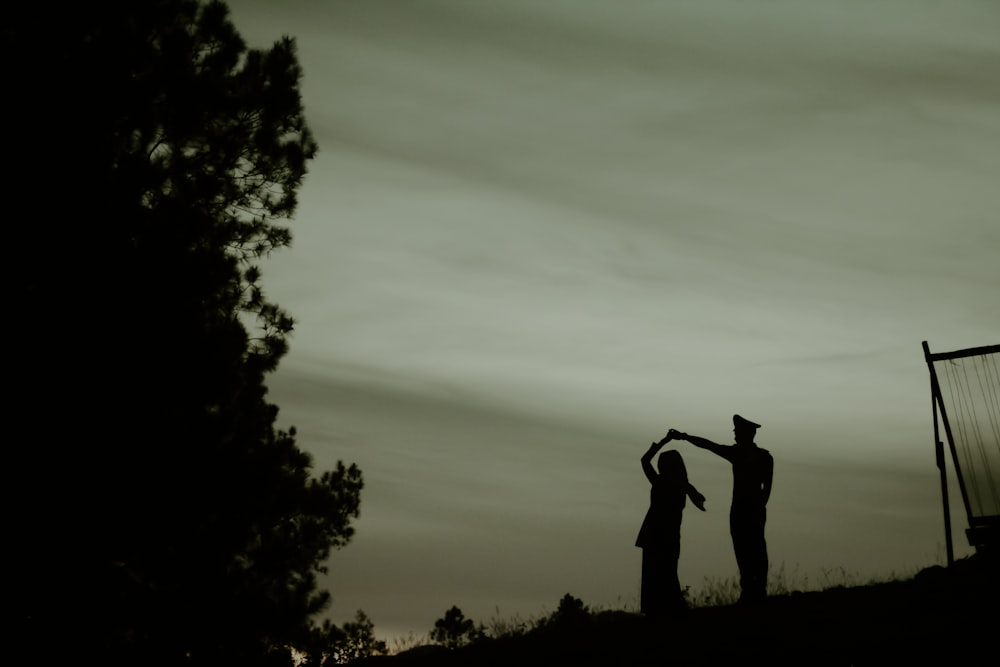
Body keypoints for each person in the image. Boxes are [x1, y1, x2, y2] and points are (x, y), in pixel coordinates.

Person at [669, 415, 773, 604]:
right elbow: (767, 490)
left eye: (737, 431)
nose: (734, 433)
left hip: (744, 510)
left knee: (750, 549)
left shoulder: (752, 455)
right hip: (749, 510)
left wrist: (684, 436)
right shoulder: (762, 456)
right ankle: (753, 590)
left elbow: (708, 445)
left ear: (745, 433)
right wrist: (759, 508)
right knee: (751, 548)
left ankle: (754, 590)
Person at [635, 435, 706, 616]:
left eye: (663, 464)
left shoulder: (663, 482)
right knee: (666, 571)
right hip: (667, 535)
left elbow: (644, 460)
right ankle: (667, 608)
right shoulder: (682, 485)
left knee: (657, 572)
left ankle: (661, 609)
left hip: (657, 534)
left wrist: (663, 442)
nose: (660, 467)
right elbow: (696, 496)